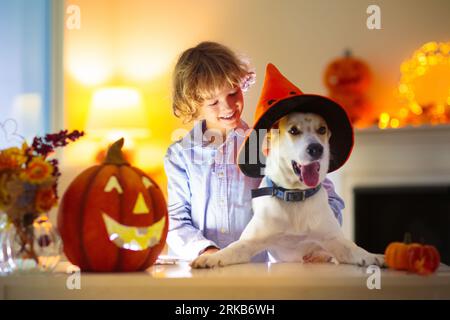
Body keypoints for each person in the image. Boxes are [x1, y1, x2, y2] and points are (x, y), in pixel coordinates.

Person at [164, 41, 344, 261]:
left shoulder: (265, 142)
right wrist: (208, 253)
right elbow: (176, 220)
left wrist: (317, 244)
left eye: (233, 93)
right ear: (193, 104)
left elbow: (328, 198)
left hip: (256, 273)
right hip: (200, 273)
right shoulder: (181, 156)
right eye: (214, 102)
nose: (228, 107)